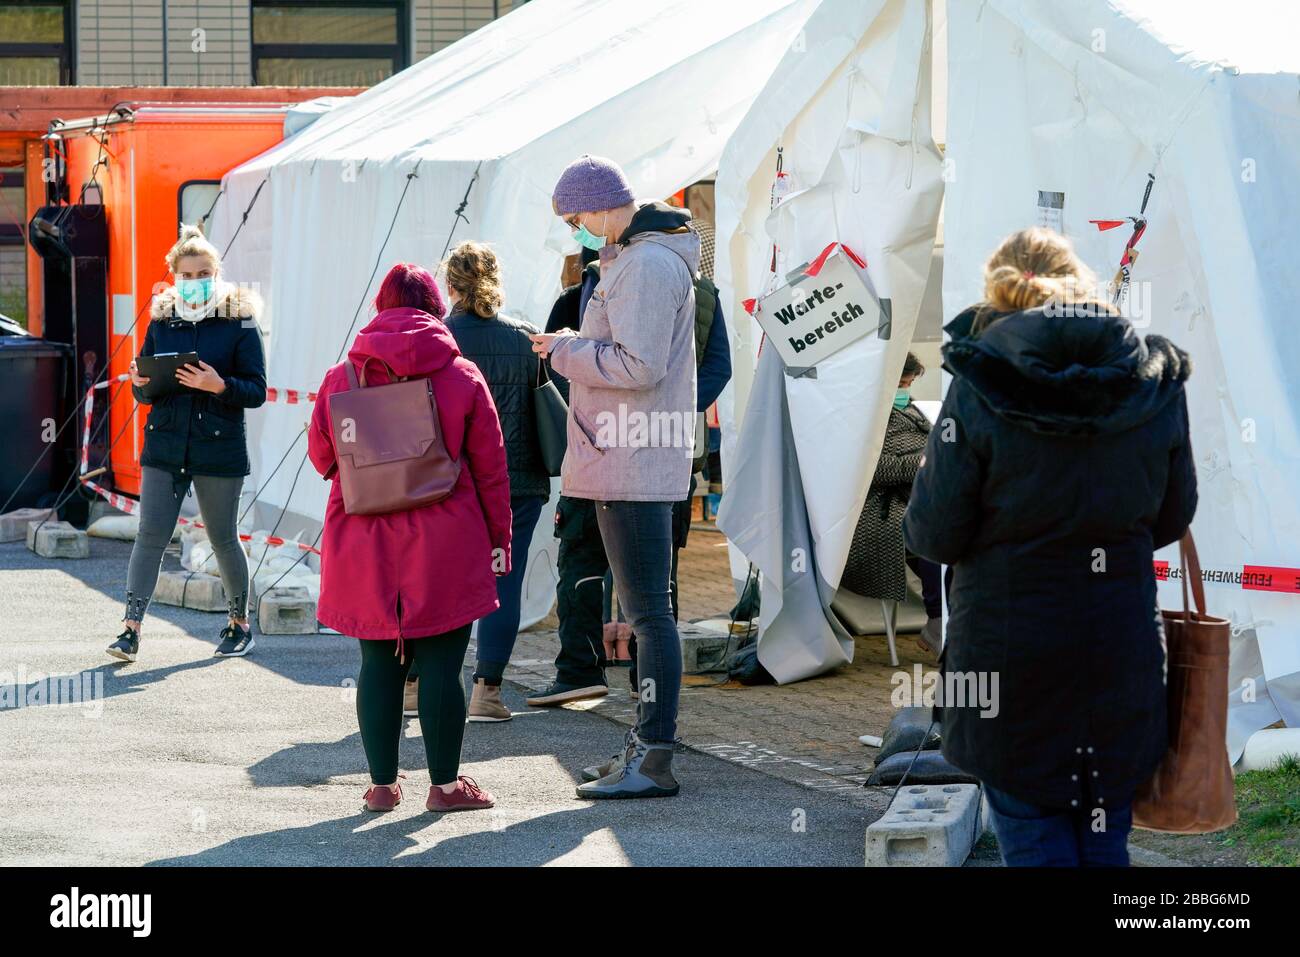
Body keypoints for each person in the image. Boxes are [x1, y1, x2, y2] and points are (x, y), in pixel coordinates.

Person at [903, 227, 1198, 867]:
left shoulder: (979, 382)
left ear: (1000, 293)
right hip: (1118, 653)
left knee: (1033, 840)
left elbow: (934, 534)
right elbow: (1173, 515)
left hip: (1010, 666)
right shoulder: (1150, 380)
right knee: (1104, 845)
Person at [307, 263, 511, 814]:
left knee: (377, 663)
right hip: (447, 534)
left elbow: (324, 458)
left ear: (380, 309)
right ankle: (444, 788)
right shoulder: (462, 375)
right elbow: (491, 468)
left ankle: (381, 786)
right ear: (436, 309)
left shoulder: (340, 378)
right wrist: (499, 538)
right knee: (444, 663)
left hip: (363, 535)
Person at [530, 154, 699, 799]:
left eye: (575, 216)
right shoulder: (637, 261)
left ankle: (654, 755)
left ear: (602, 206)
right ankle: (648, 748)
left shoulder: (647, 265)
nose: (575, 227)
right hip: (625, 454)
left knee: (648, 616)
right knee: (646, 613)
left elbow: (638, 365)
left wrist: (565, 349)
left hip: (632, 457)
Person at [107, 224, 265, 663]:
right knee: (150, 536)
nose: (195, 281)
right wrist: (141, 385)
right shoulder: (162, 320)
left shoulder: (238, 321)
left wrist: (219, 385)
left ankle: (239, 624)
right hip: (165, 444)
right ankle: (130, 629)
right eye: (187, 274)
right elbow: (146, 388)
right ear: (174, 277)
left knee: (222, 537)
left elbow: (256, 389)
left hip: (219, 447)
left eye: (203, 273)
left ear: (216, 273)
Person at [442, 240, 550, 722]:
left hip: (452, 484)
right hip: (518, 484)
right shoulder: (526, 339)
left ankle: (416, 684)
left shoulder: (437, 339)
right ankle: (487, 693)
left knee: (442, 585)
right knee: (504, 583)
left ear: (451, 285)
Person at [841, 351, 943, 654]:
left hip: (923, 499)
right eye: (900, 383)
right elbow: (873, 468)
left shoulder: (915, 411)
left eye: (909, 383)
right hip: (882, 510)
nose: (905, 391)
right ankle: (938, 620)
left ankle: (957, 622)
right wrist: (925, 462)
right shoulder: (861, 417)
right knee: (936, 534)